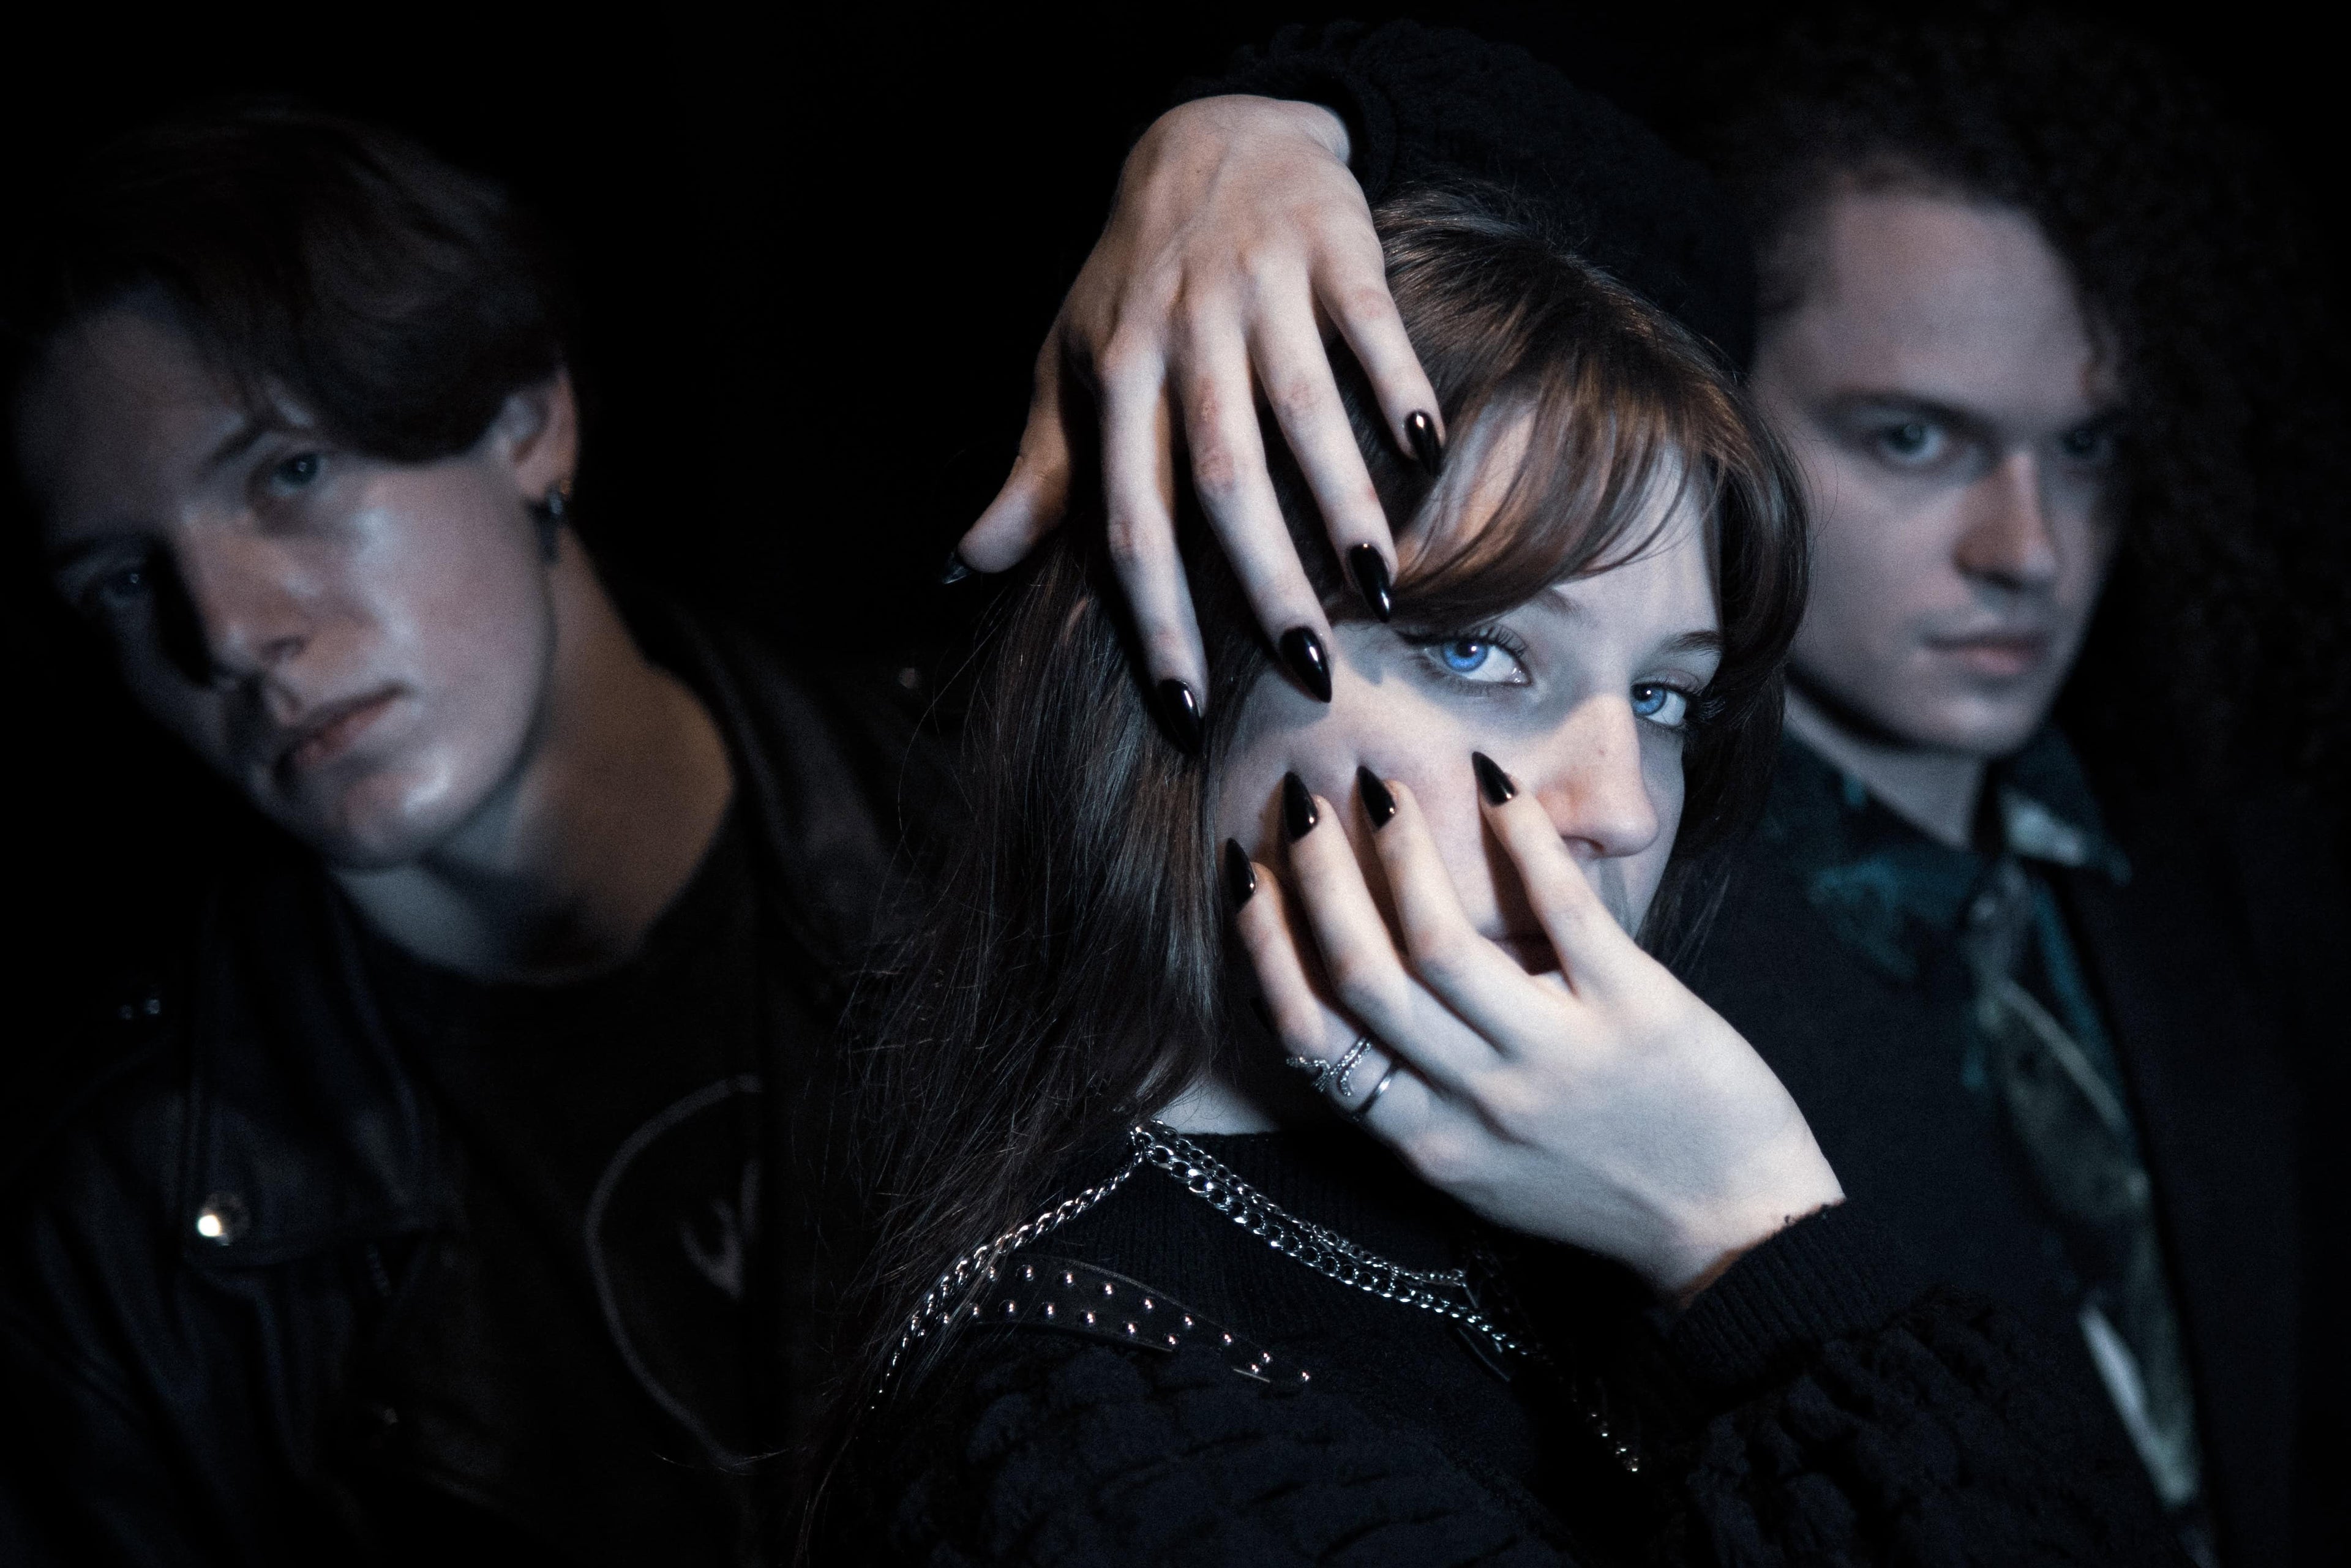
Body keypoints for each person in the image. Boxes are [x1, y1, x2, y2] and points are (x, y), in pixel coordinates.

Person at [951, 18, 2349, 1566]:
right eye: (1478, 651)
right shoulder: (1111, 1384)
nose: (1618, 799)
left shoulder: (2212, 873)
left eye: (1668, 693)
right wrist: (1245, 138)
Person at [0, 106, 943, 1564]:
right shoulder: (124, 1231)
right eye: (124, 582)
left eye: (288, 474)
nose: (231, 634)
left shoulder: (998, 839)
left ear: (524, 416)